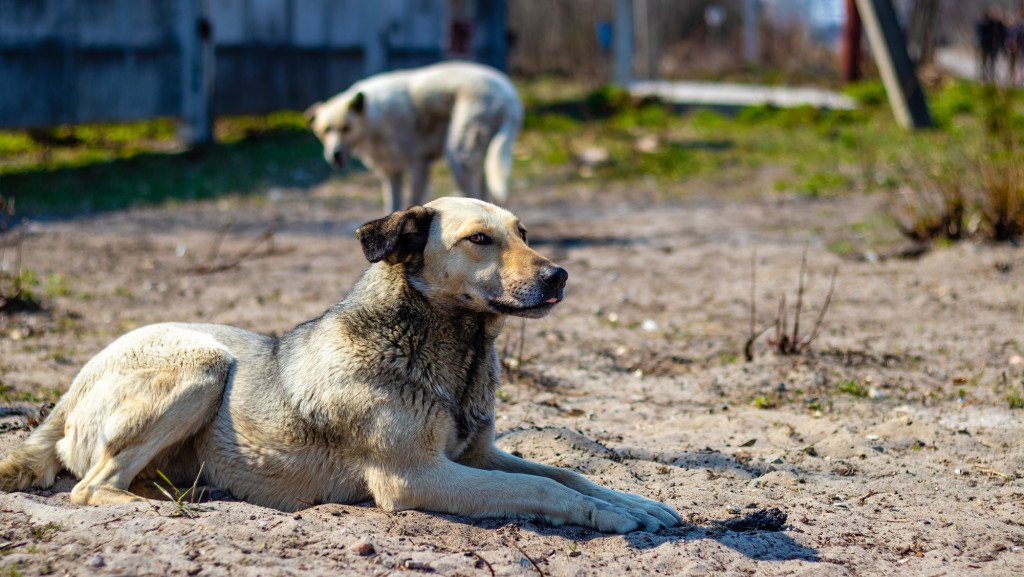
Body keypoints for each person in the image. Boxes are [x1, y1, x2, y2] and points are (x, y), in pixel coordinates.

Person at [977, 7, 1007, 83]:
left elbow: (1003, 35)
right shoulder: (988, 23)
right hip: (986, 44)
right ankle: (983, 73)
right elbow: (981, 31)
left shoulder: (1000, 25)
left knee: (993, 60)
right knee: (984, 59)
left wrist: (1003, 45)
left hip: (995, 46)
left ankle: (991, 74)